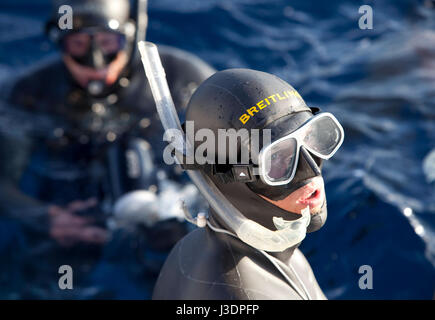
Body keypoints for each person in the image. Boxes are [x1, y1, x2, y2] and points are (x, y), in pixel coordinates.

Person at [0, 0, 214, 299]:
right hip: (73, 199)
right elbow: (3, 183)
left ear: (131, 34)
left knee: (181, 259)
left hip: (166, 190)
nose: (95, 62)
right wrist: (44, 217)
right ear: (57, 41)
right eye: (77, 44)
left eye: (108, 42)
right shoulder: (28, 94)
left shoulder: (181, 79)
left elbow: (232, 156)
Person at [151, 68, 344, 300]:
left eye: (311, 138)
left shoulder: (193, 248)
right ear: (232, 179)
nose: (311, 170)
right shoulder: (243, 293)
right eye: (275, 158)